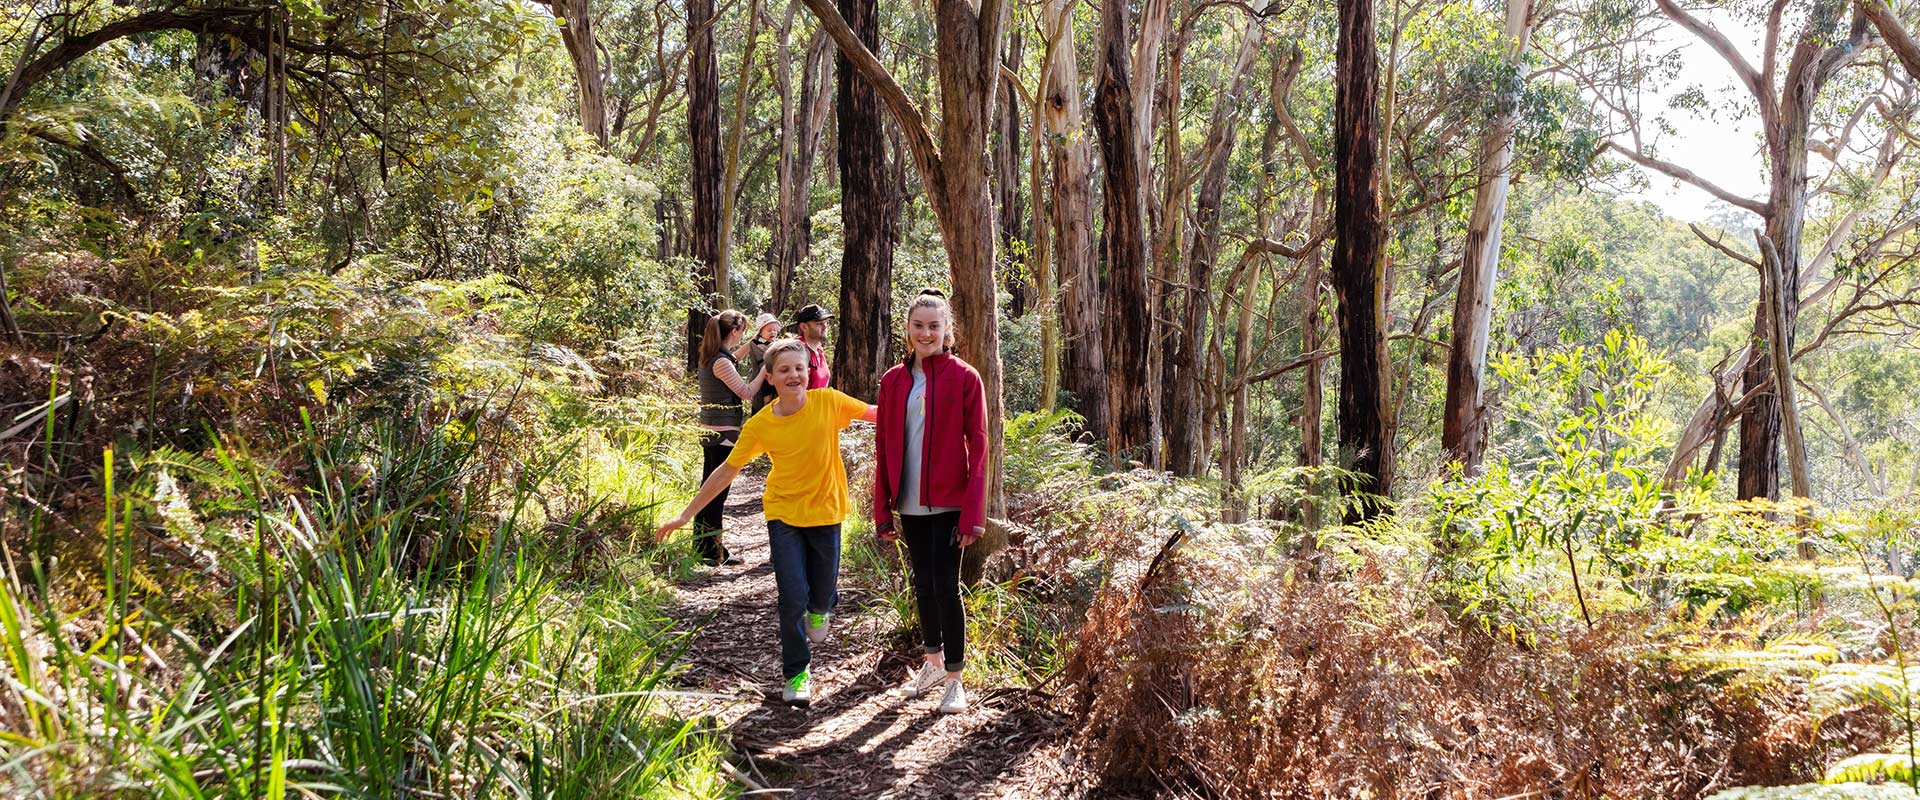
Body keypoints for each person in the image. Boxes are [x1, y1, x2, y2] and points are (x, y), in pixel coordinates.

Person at [656, 338, 878, 707]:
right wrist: (686, 514)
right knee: (792, 597)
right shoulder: (761, 424)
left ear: (809, 373)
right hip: (783, 514)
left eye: (799, 368)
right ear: (770, 378)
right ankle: (797, 673)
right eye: (784, 370)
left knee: (820, 595)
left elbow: (875, 413)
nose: (793, 375)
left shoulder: (828, 402)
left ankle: (821, 609)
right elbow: (726, 469)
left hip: (826, 512)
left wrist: (924, 402)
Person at [872, 289, 988, 715]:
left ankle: (955, 680)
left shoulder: (965, 377)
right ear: (908, 330)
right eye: (918, 325)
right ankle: (932, 664)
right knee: (921, 585)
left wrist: (974, 515)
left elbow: (979, 446)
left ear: (947, 331)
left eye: (934, 326)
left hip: (950, 502)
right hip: (908, 501)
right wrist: (883, 509)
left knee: (945, 586)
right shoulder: (893, 381)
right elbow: (884, 447)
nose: (926, 333)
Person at [692, 310, 766, 566]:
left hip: (713, 430)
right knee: (716, 492)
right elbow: (746, 392)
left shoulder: (715, 355)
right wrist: (765, 369)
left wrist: (754, 342)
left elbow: (735, 357)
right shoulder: (721, 362)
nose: (741, 337)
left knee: (709, 489)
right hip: (722, 432)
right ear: (733, 331)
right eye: (742, 332)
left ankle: (705, 547)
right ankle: (711, 551)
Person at [792, 303, 834, 390]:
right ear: (804, 327)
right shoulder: (796, 350)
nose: (825, 327)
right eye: (819, 323)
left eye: (825, 322)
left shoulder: (819, 349)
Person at [747, 312, 782, 414]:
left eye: (775, 330)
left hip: (774, 380)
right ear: (760, 332)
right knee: (760, 409)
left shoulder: (776, 343)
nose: (773, 333)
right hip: (761, 380)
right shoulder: (755, 344)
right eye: (769, 330)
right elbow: (764, 362)